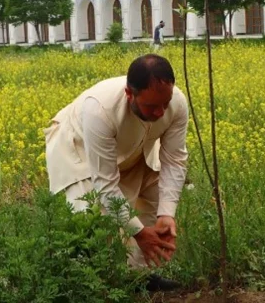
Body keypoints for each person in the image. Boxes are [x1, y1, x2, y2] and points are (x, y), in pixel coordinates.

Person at [43, 53, 188, 292]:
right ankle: (91, 284)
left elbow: (174, 160)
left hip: (135, 148)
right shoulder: (99, 110)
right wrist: (139, 234)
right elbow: (106, 184)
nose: (160, 112)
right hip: (79, 150)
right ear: (130, 94)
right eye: (151, 106)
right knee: (91, 216)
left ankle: (138, 278)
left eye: (165, 103)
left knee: (153, 200)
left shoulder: (177, 103)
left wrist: (167, 214)